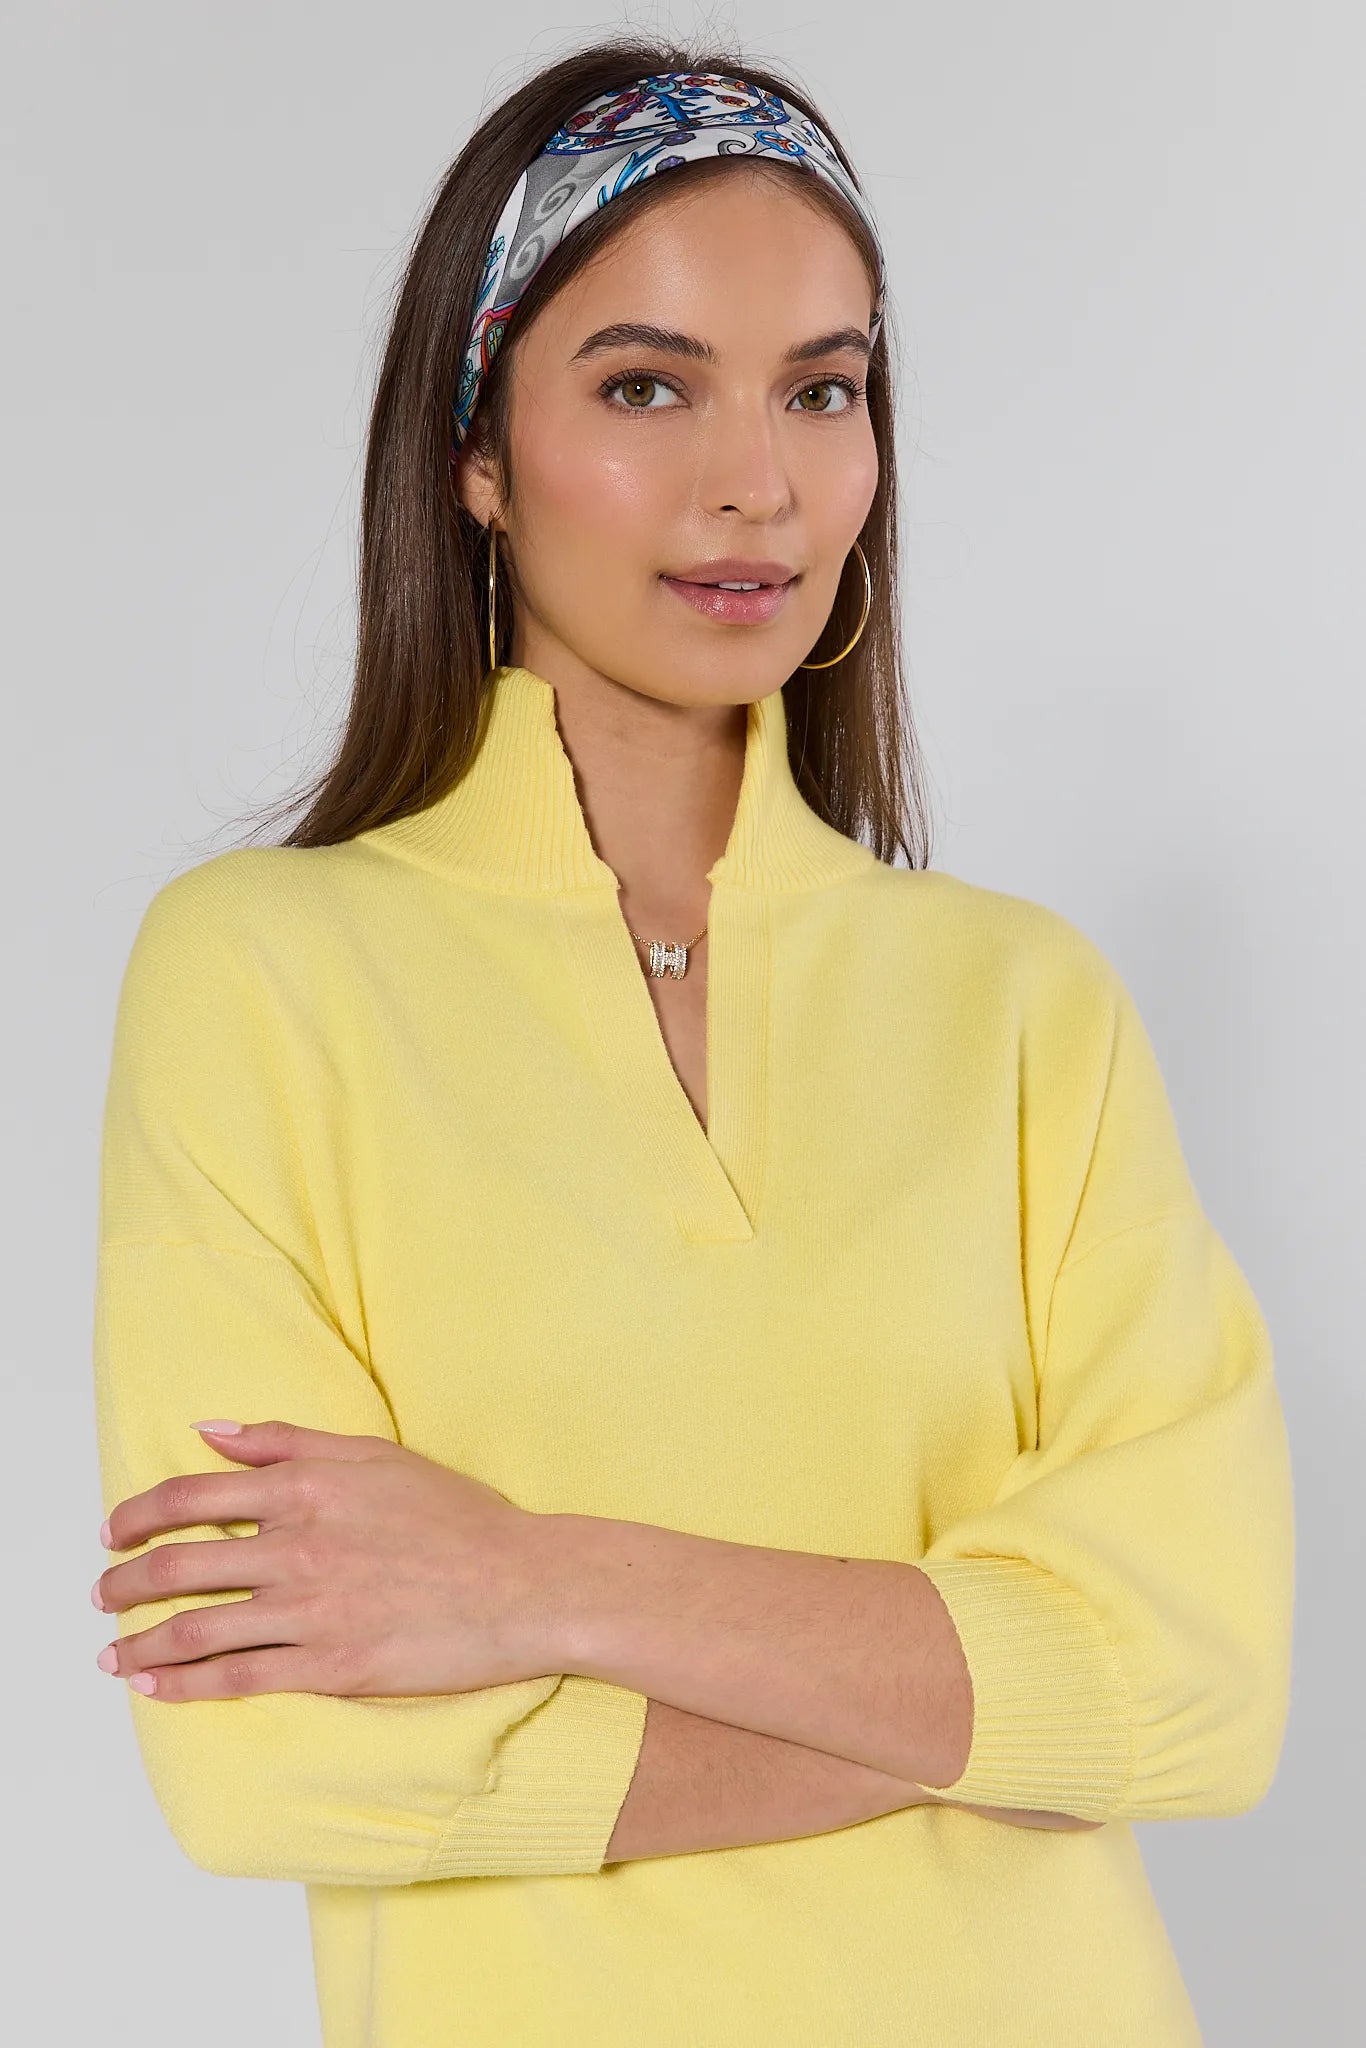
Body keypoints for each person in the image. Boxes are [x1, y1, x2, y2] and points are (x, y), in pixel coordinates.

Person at [89, 41, 1294, 2048]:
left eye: (821, 388)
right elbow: (274, 1757)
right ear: (474, 449)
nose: (757, 481)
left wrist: (533, 1582)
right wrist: (989, 1707)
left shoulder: (1024, 1006)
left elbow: (1199, 1689)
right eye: (647, 386)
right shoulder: (263, 973)